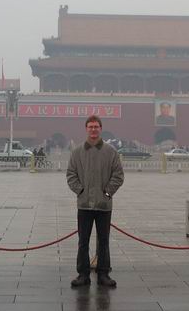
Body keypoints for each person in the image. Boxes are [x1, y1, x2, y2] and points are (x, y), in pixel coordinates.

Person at [67, 115, 124, 288]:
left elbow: (118, 175)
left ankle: (103, 274)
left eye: (96, 126)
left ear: (101, 129)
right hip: (84, 205)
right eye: (90, 126)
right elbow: (71, 175)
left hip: (103, 205)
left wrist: (107, 192)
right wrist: (81, 191)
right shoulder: (77, 152)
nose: (93, 129)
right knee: (83, 241)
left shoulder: (110, 151)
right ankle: (83, 274)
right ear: (86, 129)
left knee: (103, 241)